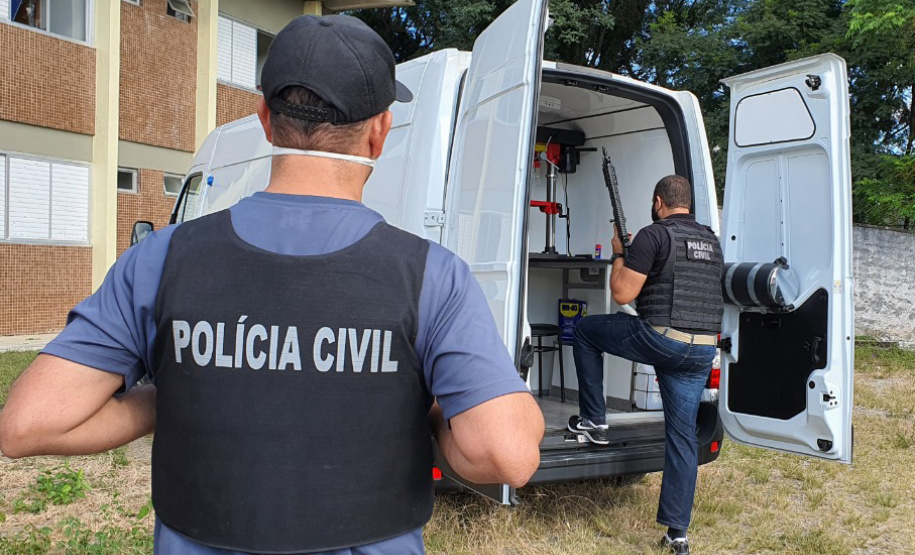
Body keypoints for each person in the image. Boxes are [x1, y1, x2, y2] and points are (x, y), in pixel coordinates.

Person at [0, 15, 545, 555]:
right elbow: (507, 455)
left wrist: (175, 395)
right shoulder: (432, 275)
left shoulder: (160, 259)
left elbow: (27, 425)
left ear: (264, 118)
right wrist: (423, 414)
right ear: (379, 132)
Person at [567, 175, 723, 555]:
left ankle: (594, 421)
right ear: (688, 203)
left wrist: (621, 252)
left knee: (585, 331)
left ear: (658, 202)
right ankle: (677, 534)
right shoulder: (711, 241)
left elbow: (622, 292)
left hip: (663, 342)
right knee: (682, 437)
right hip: (702, 350)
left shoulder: (654, 236)